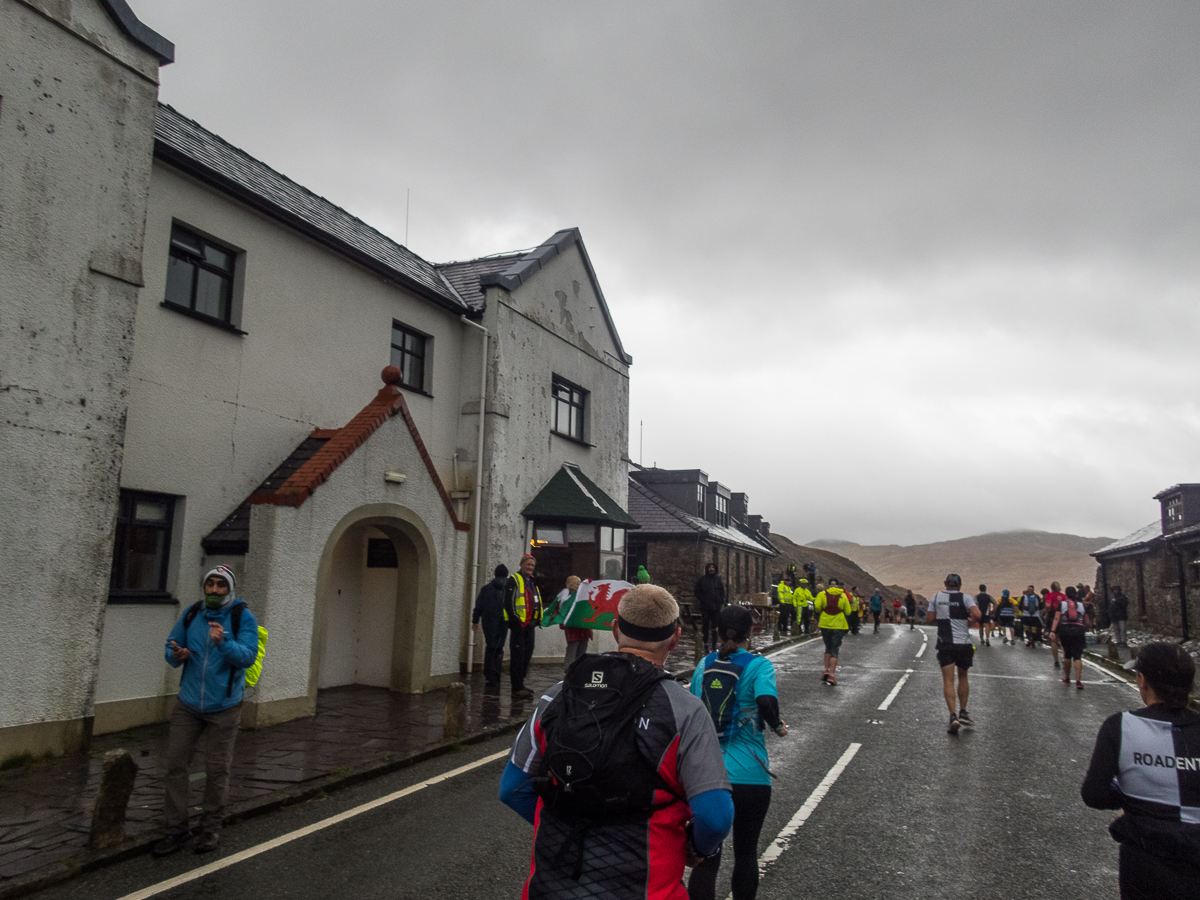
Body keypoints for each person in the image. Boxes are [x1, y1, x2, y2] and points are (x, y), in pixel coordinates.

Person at [499, 584, 735, 900]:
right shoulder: (685, 709)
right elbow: (715, 815)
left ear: (614, 629)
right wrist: (694, 847)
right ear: (675, 638)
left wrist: (575, 824)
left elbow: (511, 788)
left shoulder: (558, 696)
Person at [153, 566, 259, 856]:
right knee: (176, 765)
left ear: (230, 589)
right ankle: (176, 829)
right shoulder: (192, 614)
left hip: (224, 707)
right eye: (210, 584)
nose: (213, 590)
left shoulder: (242, 617)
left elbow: (248, 656)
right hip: (188, 705)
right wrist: (177, 654)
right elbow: (170, 647)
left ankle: (210, 827)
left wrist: (223, 642)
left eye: (220, 585)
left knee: (217, 770)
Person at [1081, 642, 1199, 899]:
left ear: (1143, 681)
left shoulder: (1120, 726)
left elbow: (1094, 793)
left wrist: (1132, 796)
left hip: (1145, 861)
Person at [689, 606, 788, 900]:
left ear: (718, 631)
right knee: (746, 853)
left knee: (706, 859)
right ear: (751, 632)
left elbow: (693, 713)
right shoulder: (759, 666)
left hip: (708, 776)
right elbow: (767, 702)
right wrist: (778, 727)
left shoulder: (703, 665)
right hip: (751, 775)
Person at [926, 573, 980, 734]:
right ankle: (963, 711)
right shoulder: (966, 598)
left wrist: (942, 619)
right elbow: (977, 614)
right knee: (963, 676)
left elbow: (928, 619)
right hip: (963, 644)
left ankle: (952, 716)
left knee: (948, 680)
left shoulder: (936, 597)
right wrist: (969, 622)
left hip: (945, 643)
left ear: (945, 583)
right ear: (959, 585)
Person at [504, 553, 543, 700]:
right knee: (518, 656)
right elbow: (508, 601)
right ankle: (517, 687)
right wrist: (514, 619)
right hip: (519, 624)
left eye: (532, 565)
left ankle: (521, 683)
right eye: (528, 564)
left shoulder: (532, 581)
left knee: (527, 654)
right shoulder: (514, 580)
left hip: (530, 625)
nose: (530, 567)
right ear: (522, 565)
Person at [471, 564, 510, 691]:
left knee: (490, 646)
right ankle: (496, 675)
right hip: (503, 621)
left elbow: (478, 605)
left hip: (488, 621)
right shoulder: (509, 589)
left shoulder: (486, 589)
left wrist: (475, 621)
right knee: (499, 648)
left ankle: (489, 674)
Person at [816, 578, 852, 685]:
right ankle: (832, 676)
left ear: (828, 585)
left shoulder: (822, 594)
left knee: (828, 647)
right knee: (835, 650)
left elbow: (817, 607)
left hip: (825, 624)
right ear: (837, 586)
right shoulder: (843, 595)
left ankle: (826, 670)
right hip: (838, 625)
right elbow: (848, 611)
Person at [1054, 586, 1090, 689]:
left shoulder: (1062, 605)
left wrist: (1053, 631)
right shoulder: (1081, 605)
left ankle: (1068, 677)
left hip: (1065, 631)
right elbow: (1087, 622)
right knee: (1078, 656)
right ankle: (1078, 681)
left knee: (1067, 654)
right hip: (1078, 631)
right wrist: (1085, 629)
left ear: (1066, 594)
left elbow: (1057, 619)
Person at [559, 576, 593, 674]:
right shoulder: (567, 596)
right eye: (577, 583)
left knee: (582, 648)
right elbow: (564, 609)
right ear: (571, 584)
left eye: (580, 583)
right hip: (573, 627)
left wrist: (588, 584)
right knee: (572, 648)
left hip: (583, 627)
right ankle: (569, 668)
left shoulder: (582, 594)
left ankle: (579, 668)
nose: (579, 585)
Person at [694, 562, 727, 653]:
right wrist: (703, 599)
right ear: (707, 569)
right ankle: (706, 644)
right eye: (709, 567)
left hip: (716, 607)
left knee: (715, 627)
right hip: (705, 607)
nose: (711, 569)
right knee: (705, 626)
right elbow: (696, 591)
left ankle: (714, 645)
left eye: (713, 567)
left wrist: (720, 600)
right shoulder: (702, 580)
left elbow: (722, 592)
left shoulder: (718, 580)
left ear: (715, 569)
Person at [1045, 582, 1067, 668]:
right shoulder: (1063, 596)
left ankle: (1056, 660)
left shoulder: (1049, 595)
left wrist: (1046, 613)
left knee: (1054, 640)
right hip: (1063, 616)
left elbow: (1048, 605)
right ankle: (1065, 658)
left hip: (1052, 615)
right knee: (1063, 640)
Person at [776, 565, 799, 636]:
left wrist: (793, 602)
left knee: (786, 616)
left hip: (788, 604)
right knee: (782, 616)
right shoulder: (781, 586)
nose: (790, 583)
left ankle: (785, 628)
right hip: (784, 604)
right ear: (785, 581)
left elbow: (790, 596)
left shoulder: (788, 587)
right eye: (789, 582)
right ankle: (780, 627)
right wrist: (782, 602)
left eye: (790, 582)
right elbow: (780, 594)